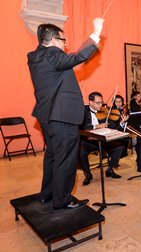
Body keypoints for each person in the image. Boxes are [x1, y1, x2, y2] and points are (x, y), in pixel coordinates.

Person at [28, 18, 104, 209]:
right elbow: (78, 57)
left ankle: (47, 194)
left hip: (47, 116)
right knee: (66, 159)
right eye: (63, 40)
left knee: (53, 155)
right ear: (54, 40)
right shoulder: (53, 54)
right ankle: (63, 199)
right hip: (62, 117)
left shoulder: (36, 57)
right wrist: (96, 32)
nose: (65, 44)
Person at [79, 92, 126, 185]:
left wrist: (122, 121)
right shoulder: (83, 111)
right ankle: (88, 174)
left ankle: (110, 169)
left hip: (102, 139)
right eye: (98, 103)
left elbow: (112, 126)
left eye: (102, 102)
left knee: (119, 147)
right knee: (81, 152)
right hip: (89, 140)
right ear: (91, 102)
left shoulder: (105, 111)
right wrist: (97, 126)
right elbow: (82, 126)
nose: (101, 105)